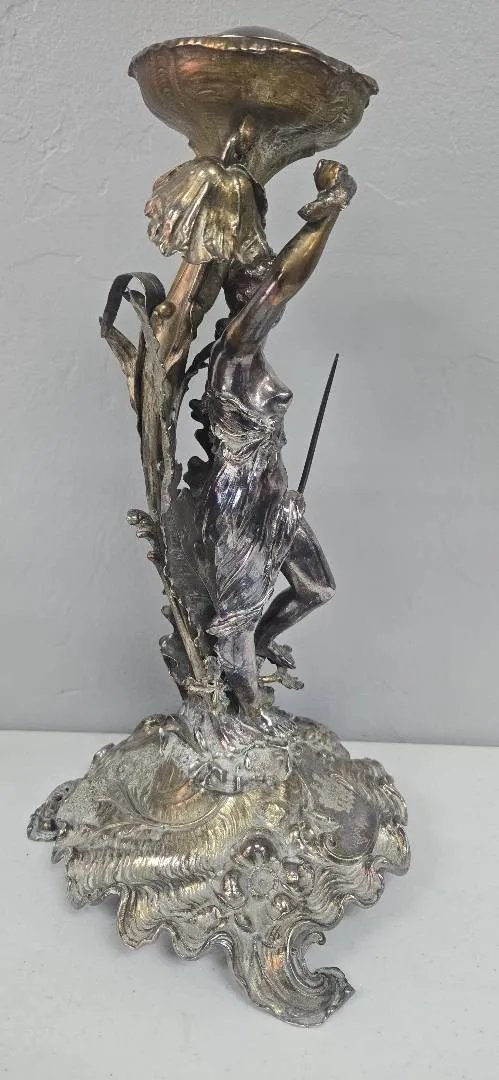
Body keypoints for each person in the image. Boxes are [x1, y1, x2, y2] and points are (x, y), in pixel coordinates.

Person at [185, 160, 356, 719]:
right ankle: (247, 711)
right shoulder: (234, 352)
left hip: (274, 496)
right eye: (258, 283)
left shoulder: (250, 355)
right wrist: (329, 211)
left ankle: (249, 662)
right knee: (239, 611)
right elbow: (283, 283)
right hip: (238, 501)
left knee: (315, 588)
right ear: (243, 294)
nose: (268, 289)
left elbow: (278, 284)